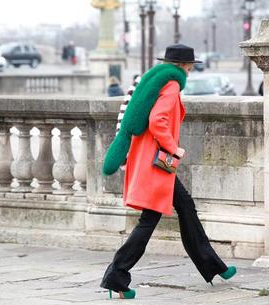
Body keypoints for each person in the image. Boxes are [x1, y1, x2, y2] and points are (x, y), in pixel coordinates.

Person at [100, 44, 237, 300]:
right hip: (158, 162)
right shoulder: (172, 85)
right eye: (191, 65)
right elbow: (157, 121)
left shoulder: (155, 79)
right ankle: (116, 276)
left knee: (185, 206)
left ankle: (213, 266)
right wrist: (174, 147)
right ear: (186, 65)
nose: (191, 69)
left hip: (155, 161)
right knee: (150, 221)